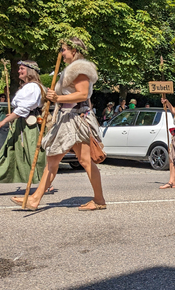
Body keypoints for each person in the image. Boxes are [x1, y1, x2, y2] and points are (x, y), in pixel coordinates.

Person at [10, 38, 105, 211]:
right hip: (66, 118)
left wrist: (58, 98)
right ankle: (35, 199)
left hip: (76, 119)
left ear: (74, 51)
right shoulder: (71, 70)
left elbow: (82, 95)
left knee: (85, 161)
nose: (61, 53)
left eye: (64, 50)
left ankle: (99, 200)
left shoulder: (80, 69)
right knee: (53, 160)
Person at [0, 61, 54, 196]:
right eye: (19, 68)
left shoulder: (32, 87)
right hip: (22, 124)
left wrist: (3, 122)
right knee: (7, 153)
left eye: (22, 69)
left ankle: (46, 184)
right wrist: (14, 116)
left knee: (33, 155)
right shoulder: (28, 87)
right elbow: (22, 109)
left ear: (30, 71)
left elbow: (24, 109)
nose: (19, 71)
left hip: (28, 127)